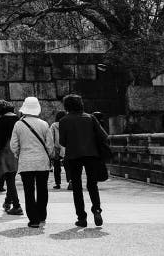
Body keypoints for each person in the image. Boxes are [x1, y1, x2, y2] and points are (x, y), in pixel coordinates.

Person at [59, 94, 109, 228]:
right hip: (91, 154)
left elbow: (62, 142)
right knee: (92, 185)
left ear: (67, 106)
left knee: (77, 187)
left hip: (73, 156)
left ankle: (82, 217)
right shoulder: (90, 118)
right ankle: (97, 210)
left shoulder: (64, 120)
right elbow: (104, 136)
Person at [10, 97, 55, 228]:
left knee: (29, 191)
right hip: (42, 162)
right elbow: (50, 144)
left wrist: (19, 154)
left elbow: (13, 145)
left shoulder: (19, 124)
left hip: (26, 162)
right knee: (42, 190)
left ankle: (33, 220)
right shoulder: (44, 124)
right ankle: (42, 216)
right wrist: (48, 155)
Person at [0, 100, 21, 215]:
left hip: (6, 151)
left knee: (9, 179)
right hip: (17, 151)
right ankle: (7, 202)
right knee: (11, 177)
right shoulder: (18, 119)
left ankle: (17, 206)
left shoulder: (1, 120)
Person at [49, 111, 69, 189]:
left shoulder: (54, 125)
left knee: (57, 167)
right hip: (66, 147)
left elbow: (51, 137)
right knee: (68, 166)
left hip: (57, 148)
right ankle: (70, 181)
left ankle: (58, 183)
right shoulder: (67, 124)